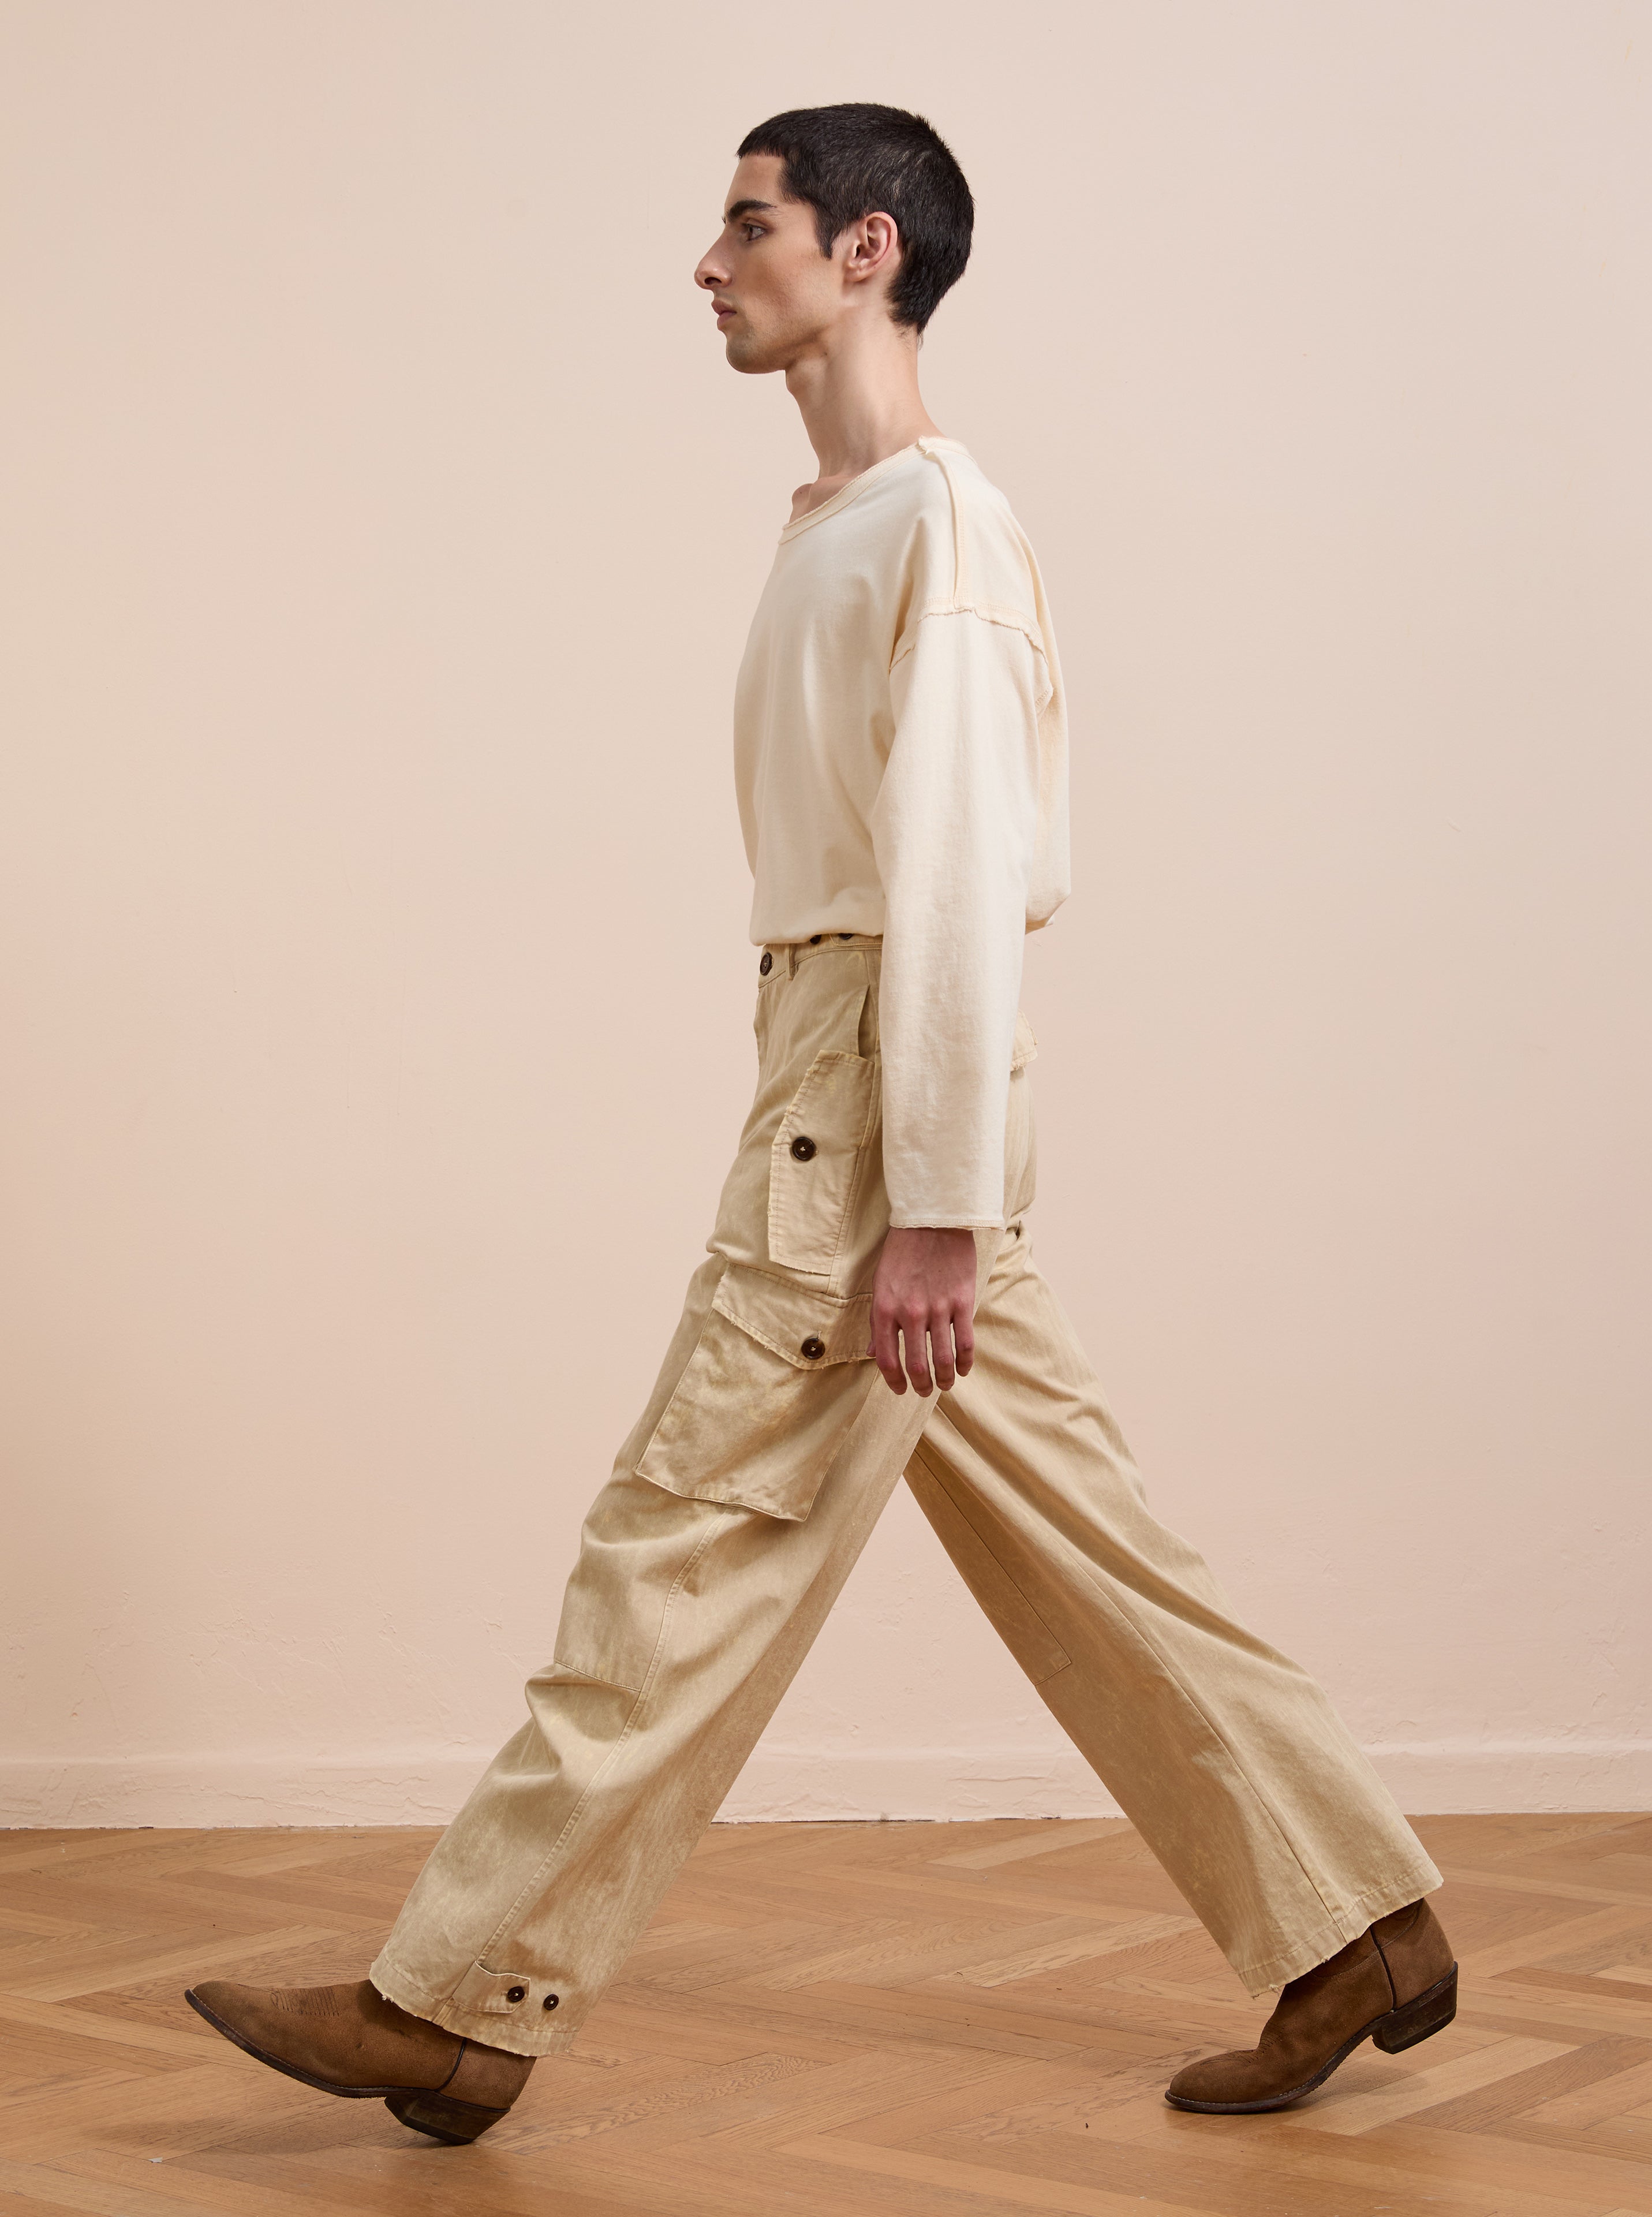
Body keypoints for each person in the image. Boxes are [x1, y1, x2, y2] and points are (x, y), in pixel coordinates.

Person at [185, 102, 1455, 2148]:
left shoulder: (940, 520)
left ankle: (459, 2001)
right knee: (1086, 1545)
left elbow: (954, 871)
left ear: (868, 251)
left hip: (875, 1095)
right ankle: (1354, 1924)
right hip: (855, 1071)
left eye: (748, 223)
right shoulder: (841, 523)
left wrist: (931, 1203)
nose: (711, 262)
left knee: (676, 1547)